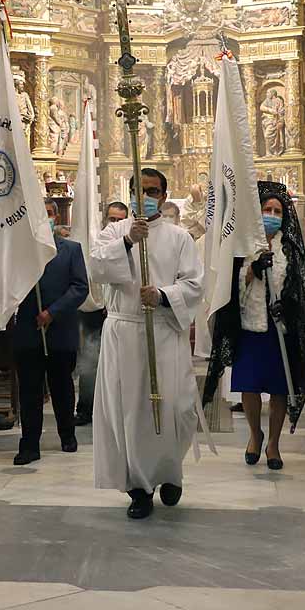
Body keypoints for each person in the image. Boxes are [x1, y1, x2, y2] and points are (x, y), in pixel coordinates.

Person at [90, 168, 203, 519]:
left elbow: (194, 284)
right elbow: (96, 267)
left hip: (164, 332)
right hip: (125, 334)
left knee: (176, 408)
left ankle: (169, 472)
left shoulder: (179, 237)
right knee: (129, 413)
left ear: (164, 197)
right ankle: (138, 488)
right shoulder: (114, 231)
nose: (146, 196)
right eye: (140, 190)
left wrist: (164, 295)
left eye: (153, 191)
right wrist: (127, 242)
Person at [206, 183, 305, 470]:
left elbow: (302, 286)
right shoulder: (244, 246)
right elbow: (230, 288)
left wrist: (289, 304)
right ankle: (255, 435)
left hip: (280, 330)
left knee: (279, 388)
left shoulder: (289, 248)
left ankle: (274, 445)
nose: (272, 214)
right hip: (250, 326)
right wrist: (253, 271)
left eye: (277, 211)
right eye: (267, 209)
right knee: (250, 386)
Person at [12, 199, 89, 465]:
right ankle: (29, 444)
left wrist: (52, 312)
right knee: (30, 390)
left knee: (62, 388)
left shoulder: (71, 250)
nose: (44, 220)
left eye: (47, 215)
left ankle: (67, 434)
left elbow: (80, 287)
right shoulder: (21, 252)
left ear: (55, 217)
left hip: (60, 331)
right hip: (29, 330)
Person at [76, 201, 128, 426]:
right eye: (111, 219)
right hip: (95, 311)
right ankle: (86, 409)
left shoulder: (133, 243)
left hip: (123, 314)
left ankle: (118, 409)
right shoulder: (97, 243)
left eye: (119, 220)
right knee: (90, 361)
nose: (114, 223)